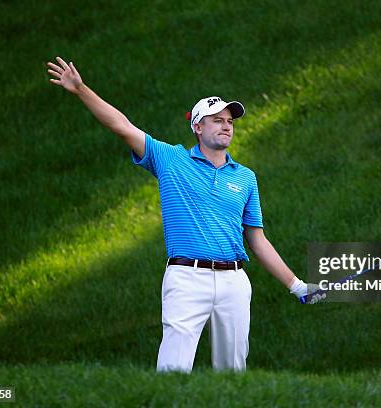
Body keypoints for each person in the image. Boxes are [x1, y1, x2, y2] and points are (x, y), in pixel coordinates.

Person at [46, 56, 325, 373]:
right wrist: (81, 89)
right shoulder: (170, 159)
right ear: (197, 126)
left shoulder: (245, 177)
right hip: (186, 278)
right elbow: (120, 126)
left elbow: (257, 240)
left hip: (234, 280)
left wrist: (298, 286)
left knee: (233, 373)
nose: (226, 125)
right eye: (217, 119)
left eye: (230, 121)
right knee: (173, 370)